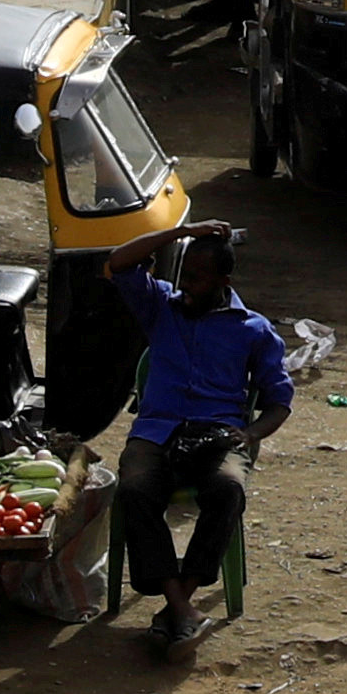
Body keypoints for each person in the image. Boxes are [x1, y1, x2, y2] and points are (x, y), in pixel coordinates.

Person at [93, 221, 290, 660]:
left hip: (219, 435)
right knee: (135, 491)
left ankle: (176, 606)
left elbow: (279, 401)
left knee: (228, 489)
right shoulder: (160, 306)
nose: (185, 286)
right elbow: (119, 261)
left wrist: (251, 433)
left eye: (196, 278)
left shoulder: (253, 330)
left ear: (224, 281)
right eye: (183, 275)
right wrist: (180, 231)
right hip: (156, 432)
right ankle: (182, 608)